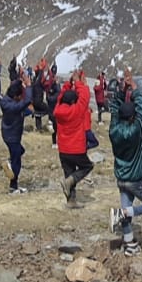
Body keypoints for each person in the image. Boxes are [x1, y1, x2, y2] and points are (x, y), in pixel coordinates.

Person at [108, 70, 142, 256]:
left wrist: (122, 91)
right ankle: (122, 214)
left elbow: (114, 109)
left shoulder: (114, 129)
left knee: (127, 209)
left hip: (121, 177)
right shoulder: (136, 130)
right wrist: (136, 91)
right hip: (135, 178)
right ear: (131, 117)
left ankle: (129, 245)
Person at [53, 69, 93, 206]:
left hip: (63, 149)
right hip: (77, 148)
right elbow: (85, 97)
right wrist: (79, 83)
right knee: (87, 167)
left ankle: (71, 201)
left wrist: (69, 84)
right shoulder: (76, 110)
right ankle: (69, 182)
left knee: (69, 172)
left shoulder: (58, 110)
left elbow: (60, 98)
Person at [0, 75, 33, 194]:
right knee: (17, 161)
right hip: (12, 136)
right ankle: (13, 187)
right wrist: (28, 86)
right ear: (15, 96)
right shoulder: (12, 106)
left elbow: (24, 106)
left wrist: (20, 81)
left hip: (8, 134)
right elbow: (27, 101)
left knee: (20, 151)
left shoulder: (6, 100)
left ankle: (10, 164)